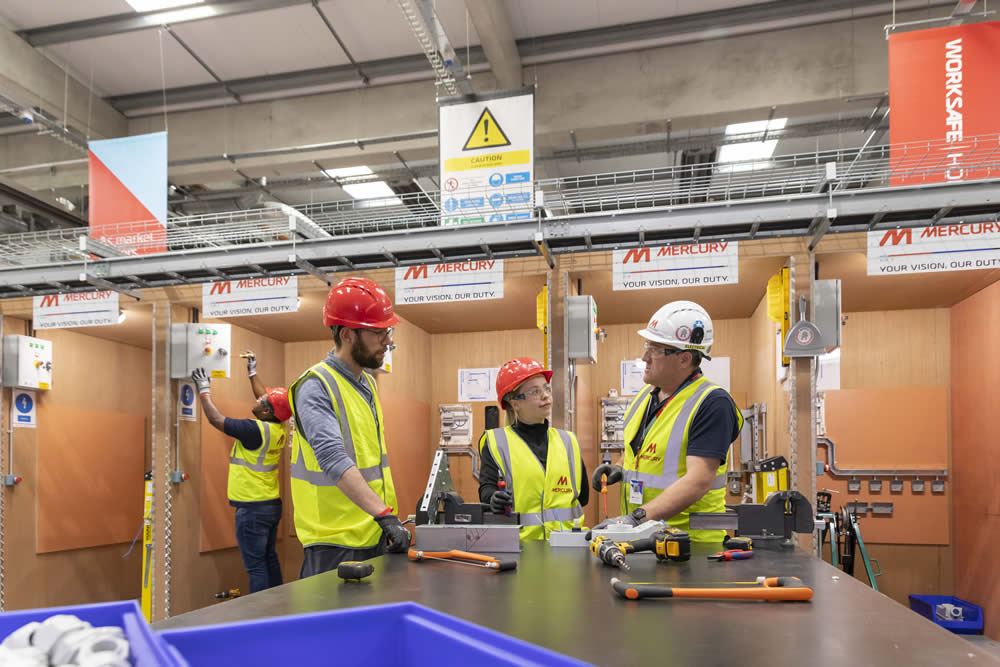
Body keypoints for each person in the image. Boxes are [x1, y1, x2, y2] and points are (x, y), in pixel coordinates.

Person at [590, 300, 743, 543]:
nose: (644, 357)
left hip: (691, 545)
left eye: (654, 349)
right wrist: (618, 468)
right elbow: (641, 452)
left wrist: (635, 519)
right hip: (647, 540)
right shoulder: (645, 396)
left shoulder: (713, 403)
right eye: (646, 346)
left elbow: (698, 480)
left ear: (683, 359)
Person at [288, 277, 410, 578]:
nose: (388, 341)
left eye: (388, 331)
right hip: (334, 542)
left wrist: (384, 518)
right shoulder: (315, 386)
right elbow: (333, 459)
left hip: (370, 532)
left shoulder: (366, 383)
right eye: (378, 333)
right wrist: (384, 514)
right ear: (347, 335)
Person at [191, 352, 290, 593]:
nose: (257, 402)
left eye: (263, 404)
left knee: (256, 567)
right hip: (270, 505)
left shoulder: (253, 430)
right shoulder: (278, 427)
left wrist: (204, 390)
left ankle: (259, 618)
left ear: (267, 413)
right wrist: (252, 372)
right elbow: (265, 398)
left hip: (252, 509)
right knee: (269, 558)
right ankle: (276, 610)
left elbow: (216, 419)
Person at [478, 357, 588, 540]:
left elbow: (583, 498)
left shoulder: (569, 441)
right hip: (520, 549)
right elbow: (486, 490)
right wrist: (493, 499)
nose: (545, 395)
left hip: (568, 547)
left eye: (546, 388)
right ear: (515, 403)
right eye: (535, 391)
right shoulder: (495, 441)